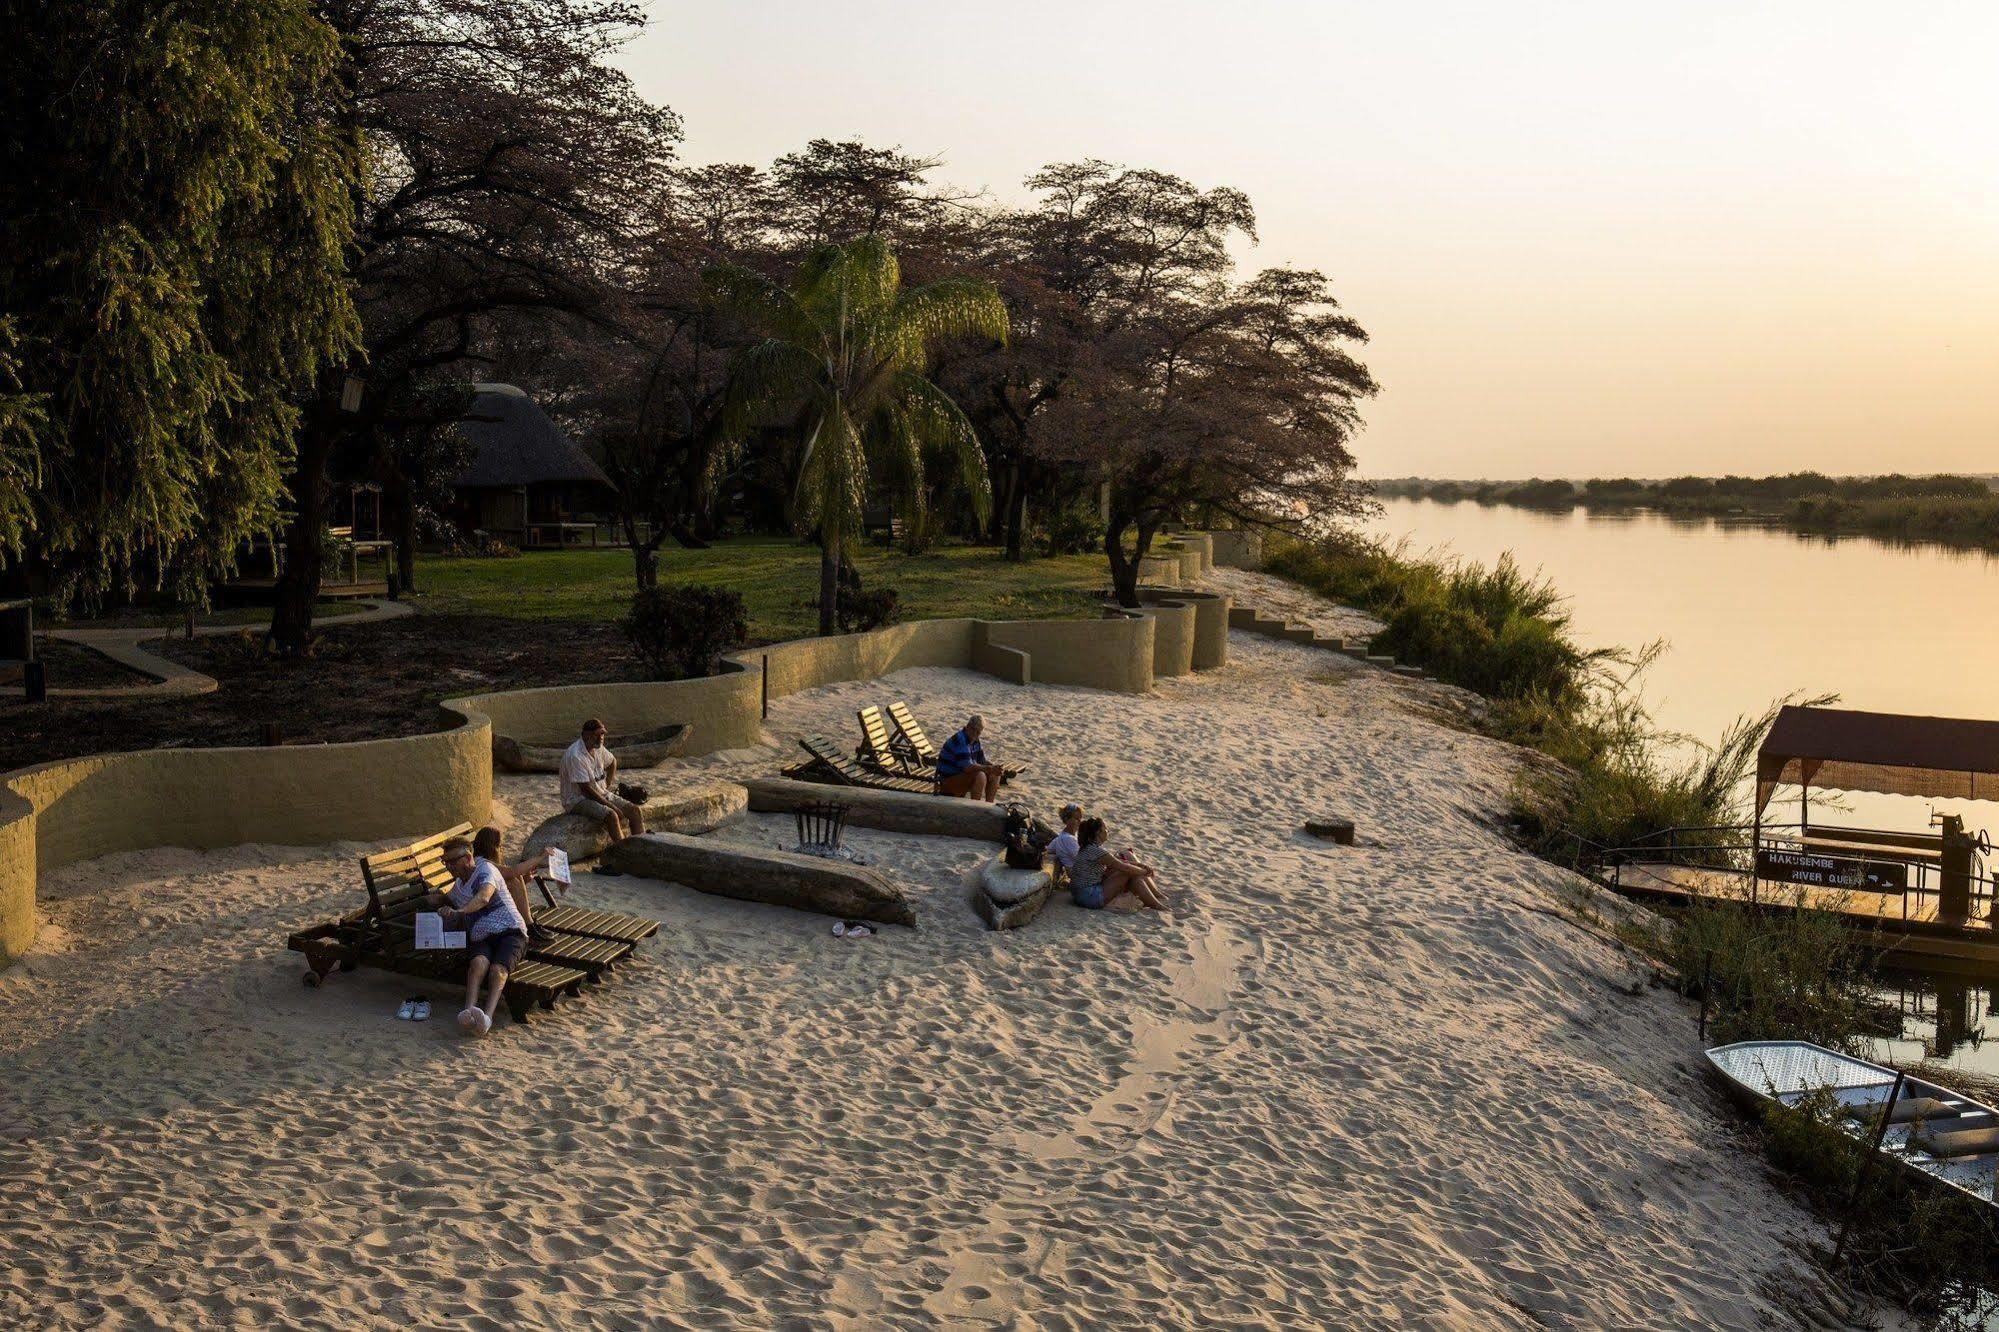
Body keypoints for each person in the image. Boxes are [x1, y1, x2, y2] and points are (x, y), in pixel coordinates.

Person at [428, 836, 530, 1036]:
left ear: (467, 857)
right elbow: (450, 903)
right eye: (445, 862)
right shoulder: (458, 887)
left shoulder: (486, 870)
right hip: (481, 936)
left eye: (452, 861)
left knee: (497, 970)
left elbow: (483, 897)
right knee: (478, 964)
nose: (448, 866)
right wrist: (440, 903)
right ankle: (468, 1012)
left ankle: (487, 1018)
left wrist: (461, 911)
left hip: (510, 930)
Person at [559, 718, 645, 841]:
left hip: (599, 792)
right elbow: (586, 790)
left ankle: (641, 845)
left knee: (635, 811)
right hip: (577, 799)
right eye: (597, 735)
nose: (601, 738)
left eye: (602, 734)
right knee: (612, 815)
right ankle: (623, 850)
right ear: (587, 735)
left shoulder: (598, 747)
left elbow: (612, 762)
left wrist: (607, 784)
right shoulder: (575, 756)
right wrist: (611, 806)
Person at [472, 826, 553, 942]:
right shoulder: (483, 863)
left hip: (486, 899)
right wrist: (541, 857)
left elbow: (512, 876)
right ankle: (529, 925)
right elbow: (512, 871)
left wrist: (524, 881)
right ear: (492, 847)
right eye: (499, 846)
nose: (501, 850)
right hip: (479, 907)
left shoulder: (481, 861)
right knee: (512, 878)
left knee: (516, 878)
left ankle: (529, 923)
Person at [1070, 817, 1168, 911]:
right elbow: (1124, 867)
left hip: (1080, 895)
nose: (1107, 831)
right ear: (1098, 833)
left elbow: (1117, 862)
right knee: (1129, 873)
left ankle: (1154, 899)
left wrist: (1141, 866)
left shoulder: (1089, 848)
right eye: (1105, 829)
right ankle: (1156, 904)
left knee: (1131, 872)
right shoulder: (1095, 850)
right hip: (1089, 898)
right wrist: (1145, 872)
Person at [934, 714, 1005, 802]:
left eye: (978, 732)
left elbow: (982, 761)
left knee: (995, 774)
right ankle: (975, 807)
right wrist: (988, 768)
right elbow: (967, 768)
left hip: (960, 777)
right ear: (967, 726)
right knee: (980, 775)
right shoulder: (960, 740)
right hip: (945, 782)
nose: (974, 734)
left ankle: (989, 806)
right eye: (973, 729)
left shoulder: (975, 740)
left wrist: (994, 768)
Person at [1046, 804, 1084, 882]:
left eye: (1080, 818)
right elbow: (1082, 860)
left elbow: (1049, 848)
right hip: (1081, 877)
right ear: (1067, 819)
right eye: (1076, 818)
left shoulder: (1064, 836)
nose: (1079, 821)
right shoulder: (1067, 839)